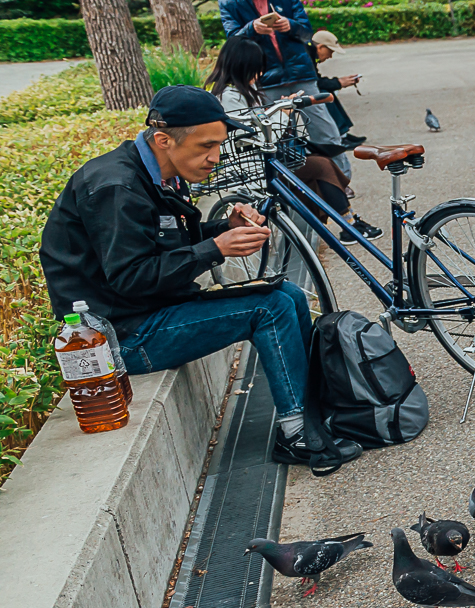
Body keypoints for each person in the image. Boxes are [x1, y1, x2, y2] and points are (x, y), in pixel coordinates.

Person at [38, 85, 363, 472]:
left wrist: (224, 228)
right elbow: (131, 277)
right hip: (124, 338)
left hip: (151, 309)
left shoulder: (155, 170)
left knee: (290, 295)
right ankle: (296, 437)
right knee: (271, 307)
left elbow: (163, 243)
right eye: (206, 146)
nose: (216, 157)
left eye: (220, 144)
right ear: (163, 139)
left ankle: (313, 415)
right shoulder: (116, 188)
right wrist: (217, 248)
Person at [207, 35, 382, 244]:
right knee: (321, 166)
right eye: (257, 68)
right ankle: (350, 224)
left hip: (266, 161)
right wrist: (284, 113)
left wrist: (281, 109)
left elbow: (259, 124)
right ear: (242, 66)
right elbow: (255, 135)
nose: (260, 73)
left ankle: (349, 223)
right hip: (252, 168)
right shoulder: (228, 97)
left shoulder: (241, 91)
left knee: (321, 164)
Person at [217, 0, 347, 176]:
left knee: (324, 130)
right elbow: (233, 41)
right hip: (265, 79)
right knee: (276, 136)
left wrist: (291, 26)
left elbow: (307, 31)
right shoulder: (228, 2)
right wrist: (252, 29)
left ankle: (342, 179)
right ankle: (289, 185)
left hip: (301, 74)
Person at [306, 30, 365, 145]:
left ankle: (343, 133)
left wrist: (339, 82)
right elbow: (315, 83)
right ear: (320, 47)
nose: (330, 56)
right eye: (330, 51)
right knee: (323, 94)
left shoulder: (309, 54)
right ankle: (340, 136)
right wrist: (338, 83)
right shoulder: (306, 56)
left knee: (327, 92)